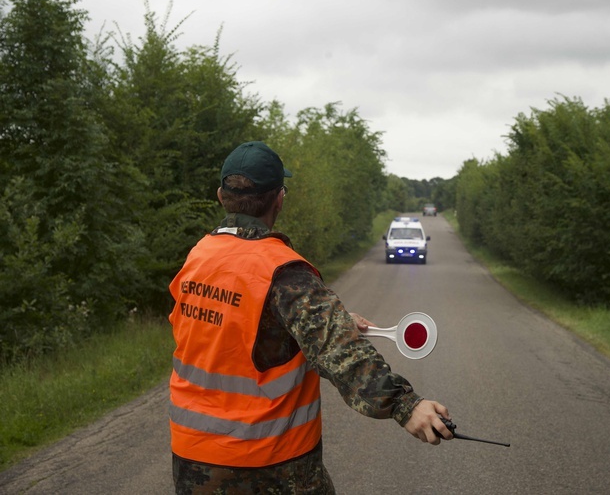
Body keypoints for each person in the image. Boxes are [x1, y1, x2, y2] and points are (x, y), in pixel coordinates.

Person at [168, 141, 452, 494]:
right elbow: (341, 353)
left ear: (220, 196)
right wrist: (406, 405)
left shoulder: (198, 257)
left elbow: (231, 326)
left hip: (192, 460)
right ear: (279, 199)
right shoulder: (283, 273)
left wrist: (306, 322)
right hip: (268, 464)